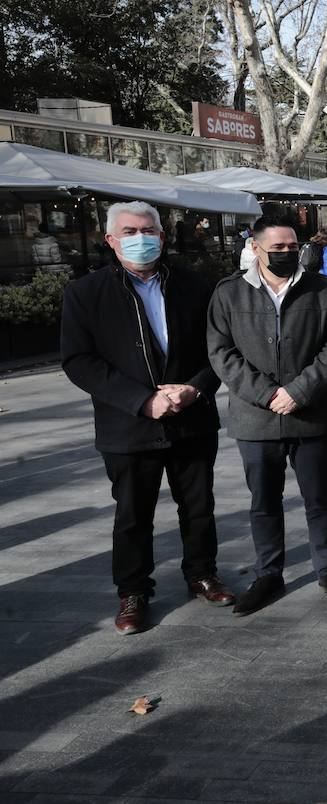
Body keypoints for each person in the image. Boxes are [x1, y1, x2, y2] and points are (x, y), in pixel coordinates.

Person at [61, 201, 232, 635]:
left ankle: (202, 574)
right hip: (128, 425)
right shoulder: (86, 293)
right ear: (111, 240)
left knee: (198, 507)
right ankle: (133, 592)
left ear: (162, 234)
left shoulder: (195, 286)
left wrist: (196, 387)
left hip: (191, 418)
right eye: (131, 231)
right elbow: (79, 360)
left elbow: (220, 350)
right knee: (133, 515)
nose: (142, 238)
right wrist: (142, 401)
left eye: (149, 230)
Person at [207, 215, 327, 616]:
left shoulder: (324, 290)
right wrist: (268, 394)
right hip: (255, 419)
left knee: (320, 498)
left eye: (293, 246)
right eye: (279, 248)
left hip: (310, 416)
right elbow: (221, 353)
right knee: (264, 502)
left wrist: (299, 391)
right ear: (255, 249)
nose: (289, 253)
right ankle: (268, 573)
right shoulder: (228, 294)